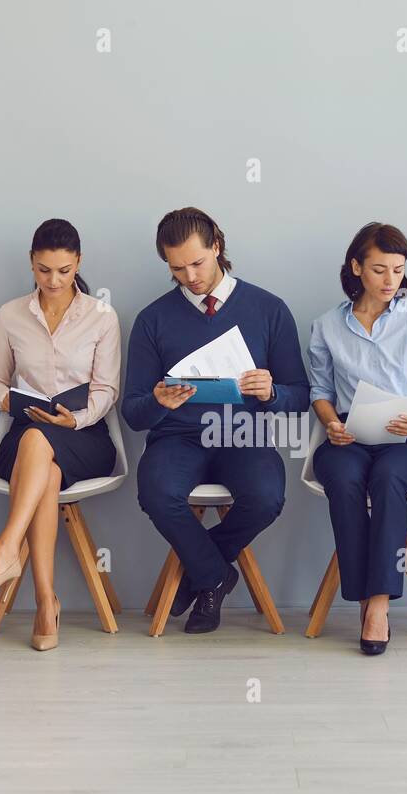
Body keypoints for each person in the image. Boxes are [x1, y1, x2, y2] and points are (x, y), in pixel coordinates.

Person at [123, 207, 309, 633]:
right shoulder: (153, 319)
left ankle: (199, 574)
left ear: (217, 247)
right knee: (156, 492)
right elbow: (133, 413)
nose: (190, 277)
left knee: (266, 496)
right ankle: (215, 576)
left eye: (197, 263)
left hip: (242, 435)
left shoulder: (269, 309)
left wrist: (271, 392)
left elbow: (300, 398)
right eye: (177, 269)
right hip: (177, 438)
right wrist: (158, 401)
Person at [0, 219, 121, 651]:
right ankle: (46, 602)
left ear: (78, 263)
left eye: (64, 271)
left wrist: (76, 419)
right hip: (25, 432)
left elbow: (107, 390)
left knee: (41, 445)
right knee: (41, 458)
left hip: (85, 436)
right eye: (44, 270)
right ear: (31, 263)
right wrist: (9, 401)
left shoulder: (102, 317)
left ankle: (7, 551)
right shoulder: (10, 315)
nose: (54, 280)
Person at [307, 223, 407, 655]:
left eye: (398, 271)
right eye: (380, 270)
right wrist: (331, 423)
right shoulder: (327, 325)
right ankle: (363, 598)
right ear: (356, 267)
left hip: (404, 436)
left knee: (387, 480)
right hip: (349, 433)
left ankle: (377, 605)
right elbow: (320, 391)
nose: (390, 281)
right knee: (343, 479)